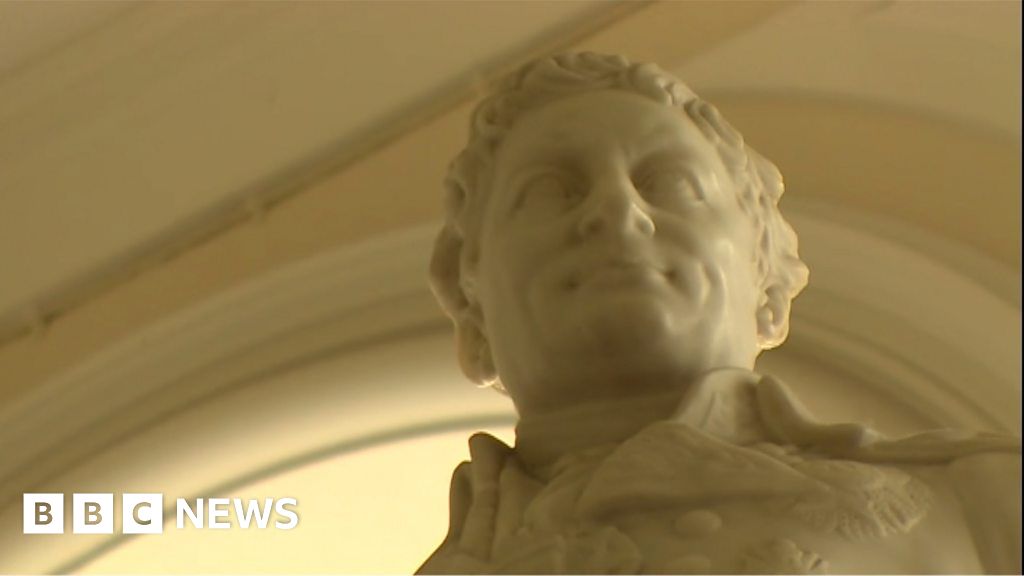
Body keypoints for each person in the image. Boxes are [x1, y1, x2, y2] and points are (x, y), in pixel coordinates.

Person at [420, 52, 1020, 574]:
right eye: (550, 191)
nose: (618, 212)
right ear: (469, 294)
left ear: (763, 265)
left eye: (670, 182)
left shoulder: (985, 497)